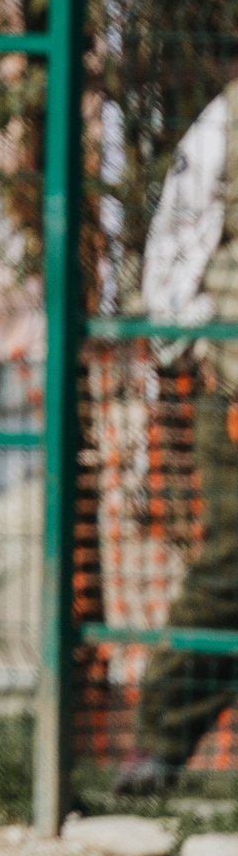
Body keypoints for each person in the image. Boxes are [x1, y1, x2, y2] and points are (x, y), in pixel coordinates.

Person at [124, 82, 238, 793]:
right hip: (235, 379)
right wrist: (183, 335)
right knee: (231, 568)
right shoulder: (229, 119)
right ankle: (160, 741)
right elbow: (180, 230)